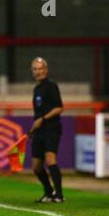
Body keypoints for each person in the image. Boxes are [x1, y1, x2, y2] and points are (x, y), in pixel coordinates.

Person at [28, 57, 64, 203]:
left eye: (40, 68)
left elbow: (59, 108)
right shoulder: (37, 89)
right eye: (35, 69)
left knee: (50, 160)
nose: (38, 72)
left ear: (46, 70)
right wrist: (32, 129)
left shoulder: (51, 86)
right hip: (39, 130)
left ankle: (59, 195)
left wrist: (43, 119)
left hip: (51, 128)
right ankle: (49, 192)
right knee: (36, 167)